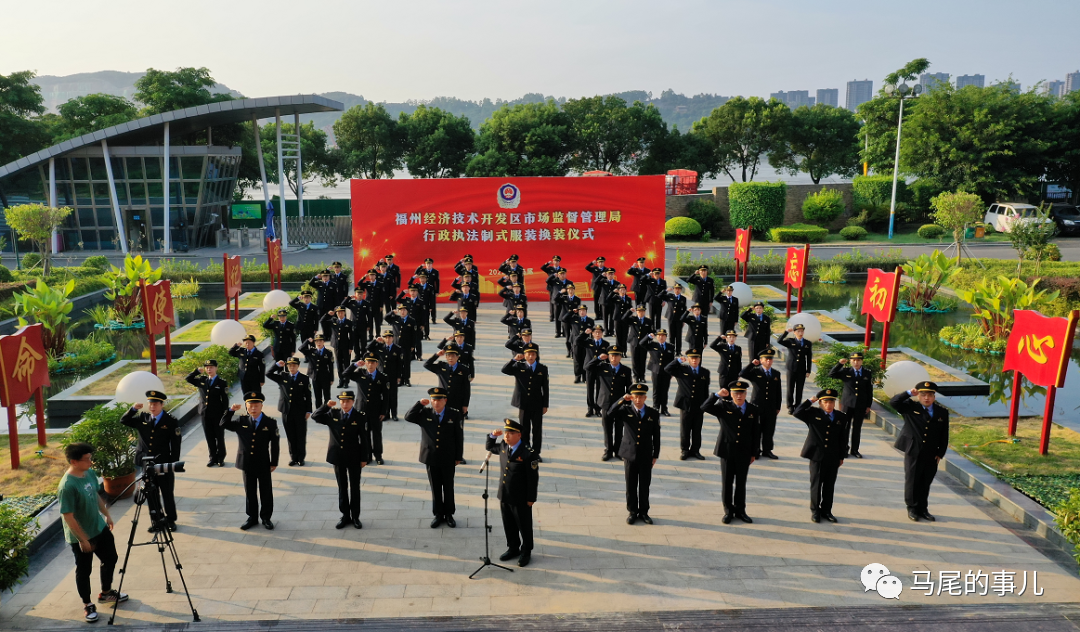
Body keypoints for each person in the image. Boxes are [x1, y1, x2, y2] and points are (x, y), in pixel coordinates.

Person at [59, 442, 126, 623]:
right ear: (74, 461)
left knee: (110, 558)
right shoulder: (67, 486)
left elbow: (96, 494)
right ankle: (87, 604)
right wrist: (82, 539)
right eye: (87, 459)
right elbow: (68, 516)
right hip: (81, 536)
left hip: (98, 527)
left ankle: (106, 592)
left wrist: (107, 515)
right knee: (84, 570)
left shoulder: (88, 473)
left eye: (91, 458)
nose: (91, 462)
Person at [120, 391, 181, 532]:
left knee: (167, 492)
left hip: (163, 463)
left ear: (161, 404)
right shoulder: (143, 417)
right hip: (147, 463)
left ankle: (170, 519)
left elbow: (176, 444)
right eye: (150, 404)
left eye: (155, 404)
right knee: (151, 493)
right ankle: (156, 520)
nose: (152, 407)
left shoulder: (170, 420)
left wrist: (172, 463)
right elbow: (124, 421)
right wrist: (133, 409)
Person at [701, 380, 760, 524]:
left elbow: (756, 432)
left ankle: (741, 510)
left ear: (746, 394)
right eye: (735, 393)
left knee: (741, 482)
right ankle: (728, 511)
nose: (739, 396)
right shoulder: (723, 406)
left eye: (742, 393)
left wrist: (754, 452)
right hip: (727, 450)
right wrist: (716, 395)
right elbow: (704, 407)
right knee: (727, 482)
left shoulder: (752, 409)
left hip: (744, 451)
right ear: (731, 394)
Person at [890, 381, 950, 522]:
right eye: (923, 395)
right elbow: (893, 402)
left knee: (926, 481)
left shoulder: (942, 412)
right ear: (919, 396)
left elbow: (944, 434)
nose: (926, 398)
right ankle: (912, 507)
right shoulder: (911, 407)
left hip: (931, 452)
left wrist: (940, 453)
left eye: (929, 395)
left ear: (934, 396)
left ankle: (923, 509)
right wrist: (909, 393)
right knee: (912, 480)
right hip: (914, 450)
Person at [405, 388, 464, 528]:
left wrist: (458, 456)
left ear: (445, 400)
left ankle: (449, 514)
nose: (436, 403)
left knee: (448, 487)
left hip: (448, 456)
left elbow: (459, 437)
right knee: (435, 487)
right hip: (431, 456)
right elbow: (408, 417)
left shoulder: (454, 414)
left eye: (439, 399)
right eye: (433, 400)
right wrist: (419, 404)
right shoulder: (425, 413)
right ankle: (438, 514)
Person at [311, 390, 371, 529]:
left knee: (355, 487)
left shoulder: (360, 416)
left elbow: (364, 439)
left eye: (348, 401)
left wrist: (364, 458)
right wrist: (326, 406)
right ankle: (345, 515)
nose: (345, 404)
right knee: (342, 487)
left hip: (354, 456)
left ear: (353, 401)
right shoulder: (333, 413)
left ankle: (355, 516)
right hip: (337, 456)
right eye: (342, 401)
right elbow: (315, 416)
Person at [221, 391, 280, 530]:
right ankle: (252, 517)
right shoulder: (241, 421)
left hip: (263, 462)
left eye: (256, 405)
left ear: (261, 406)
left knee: (266, 491)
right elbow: (223, 424)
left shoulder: (270, 422)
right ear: (246, 406)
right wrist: (230, 411)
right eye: (250, 405)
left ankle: (266, 517)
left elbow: (275, 444)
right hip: (246, 462)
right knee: (250, 491)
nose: (253, 408)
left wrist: (274, 462)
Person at [486, 419, 540, 568]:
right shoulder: (504, 446)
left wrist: (531, 498)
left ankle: (526, 550)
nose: (507, 436)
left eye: (510, 433)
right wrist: (492, 435)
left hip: (521, 498)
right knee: (508, 523)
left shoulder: (529, 454)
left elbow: (532, 479)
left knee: (524, 525)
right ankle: (513, 547)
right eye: (505, 433)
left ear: (519, 435)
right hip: (505, 494)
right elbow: (490, 447)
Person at [793, 389, 850, 523]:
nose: (829, 405)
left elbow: (843, 438)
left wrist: (842, 456)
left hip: (833, 456)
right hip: (816, 455)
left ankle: (826, 510)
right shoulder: (813, 413)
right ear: (820, 403)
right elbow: (797, 412)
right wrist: (810, 401)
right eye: (825, 402)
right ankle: (815, 511)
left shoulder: (841, 417)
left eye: (831, 402)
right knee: (816, 484)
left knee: (829, 485)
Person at [607, 384, 661, 525]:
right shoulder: (625, 410)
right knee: (630, 485)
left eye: (641, 397)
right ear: (632, 397)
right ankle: (632, 511)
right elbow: (610, 413)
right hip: (629, 454)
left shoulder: (652, 413)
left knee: (644, 485)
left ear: (645, 397)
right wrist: (622, 400)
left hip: (645, 454)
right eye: (635, 397)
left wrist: (655, 455)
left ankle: (644, 512)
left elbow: (656, 435)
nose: (638, 400)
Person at [501, 343, 550, 459]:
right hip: (523, 404)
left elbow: (545, 388)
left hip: (537, 403)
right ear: (525, 355)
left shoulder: (542, 368)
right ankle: (526, 451)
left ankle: (536, 453)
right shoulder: (519, 366)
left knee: (537, 430)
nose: (531, 357)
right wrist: (514, 360)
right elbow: (504, 370)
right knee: (524, 429)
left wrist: (545, 405)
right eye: (528, 354)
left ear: (536, 355)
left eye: (533, 354)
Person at [340, 352, 390, 465]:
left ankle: (378, 455)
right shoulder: (360, 373)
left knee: (376, 434)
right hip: (361, 409)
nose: (370, 364)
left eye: (372, 362)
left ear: (377, 363)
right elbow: (345, 374)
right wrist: (355, 365)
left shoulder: (382, 377)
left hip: (375, 410)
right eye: (368, 362)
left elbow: (386, 396)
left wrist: (383, 412)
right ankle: (367, 455)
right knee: (364, 434)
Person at [585, 346, 633, 460]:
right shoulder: (602, 367)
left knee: (619, 428)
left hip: (620, 404)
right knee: (607, 429)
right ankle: (608, 450)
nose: (614, 358)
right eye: (612, 355)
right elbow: (587, 367)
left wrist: (628, 399)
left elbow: (629, 386)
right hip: (606, 403)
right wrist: (598, 359)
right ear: (608, 356)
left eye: (616, 355)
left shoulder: (626, 370)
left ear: (620, 357)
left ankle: (618, 450)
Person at [664, 349, 711, 461]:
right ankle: (684, 450)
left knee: (697, 429)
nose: (694, 360)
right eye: (692, 358)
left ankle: (695, 450)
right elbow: (667, 369)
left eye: (696, 358)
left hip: (699, 404)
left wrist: (706, 404)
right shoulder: (682, 369)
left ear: (699, 359)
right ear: (688, 359)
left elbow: (705, 390)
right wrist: (678, 360)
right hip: (685, 404)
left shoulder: (705, 372)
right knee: (685, 428)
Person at [266, 357, 313, 467]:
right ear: (287, 366)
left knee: (300, 435)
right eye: (290, 365)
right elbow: (268, 374)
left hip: (300, 411)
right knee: (290, 435)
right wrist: (277, 365)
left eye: (294, 365)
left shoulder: (304, 378)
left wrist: (308, 410)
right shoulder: (283, 376)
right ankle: (293, 457)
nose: (292, 367)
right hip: (286, 411)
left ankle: (301, 458)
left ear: (298, 366)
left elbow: (308, 396)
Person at [828, 352, 874, 458]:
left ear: (862, 361)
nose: (856, 362)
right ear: (850, 361)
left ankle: (855, 450)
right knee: (845, 427)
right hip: (847, 404)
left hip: (860, 405)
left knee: (857, 428)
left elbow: (869, 390)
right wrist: (839, 364)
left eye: (858, 360)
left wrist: (868, 405)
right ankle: (844, 449)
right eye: (853, 360)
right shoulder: (845, 371)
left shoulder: (867, 373)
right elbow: (832, 374)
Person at [739, 348, 783, 460]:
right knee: (756, 429)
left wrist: (778, 406)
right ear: (761, 360)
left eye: (770, 359)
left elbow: (778, 391)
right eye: (766, 359)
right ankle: (756, 450)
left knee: (769, 429)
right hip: (757, 405)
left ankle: (767, 450)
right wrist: (751, 364)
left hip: (771, 407)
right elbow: (742, 374)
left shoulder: (776, 373)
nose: (769, 361)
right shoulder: (755, 372)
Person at [185, 359, 229, 467]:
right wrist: (196, 372)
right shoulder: (202, 380)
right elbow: (188, 379)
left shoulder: (222, 383)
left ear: (216, 368)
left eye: (211, 367)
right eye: (207, 368)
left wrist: (225, 414)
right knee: (209, 437)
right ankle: (212, 457)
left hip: (217, 414)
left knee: (219, 436)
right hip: (205, 414)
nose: (209, 369)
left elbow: (225, 400)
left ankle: (220, 458)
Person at [424, 346, 472, 424]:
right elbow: (426, 365)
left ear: (458, 357)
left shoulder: (464, 370)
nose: (450, 358)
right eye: (448, 356)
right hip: (443, 401)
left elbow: (466, 389)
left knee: (457, 423)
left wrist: (465, 405)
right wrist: (436, 355)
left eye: (453, 356)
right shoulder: (441, 366)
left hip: (457, 401)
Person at [365, 330, 405, 423]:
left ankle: (394, 414)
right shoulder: (379, 347)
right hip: (381, 376)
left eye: (389, 337)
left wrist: (399, 376)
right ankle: (386, 413)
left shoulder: (397, 349)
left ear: (393, 338)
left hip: (392, 376)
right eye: (386, 337)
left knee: (393, 395)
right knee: (383, 395)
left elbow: (400, 364)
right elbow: (368, 348)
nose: (388, 339)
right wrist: (375, 340)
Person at [777, 324, 813, 415]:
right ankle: (790, 406)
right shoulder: (790, 341)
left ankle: (797, 406)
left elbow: (809, 357)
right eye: (798, 331)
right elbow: (779, 341)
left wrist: (808, 370)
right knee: (790, 388)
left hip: (801, 369)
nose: (800, 333)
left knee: (799, 388)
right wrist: (786, 332)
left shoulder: (807, 343)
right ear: (794, 332)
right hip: (791, 368)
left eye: (802, 331)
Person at [640, 329, 676, 415]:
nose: (661, 337)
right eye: (659, 335)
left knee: (664, 390)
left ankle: (664, 408)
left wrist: (672, 372)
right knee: (656, 390)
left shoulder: (670, 346)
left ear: (666, 337)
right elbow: (641, 343)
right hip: (655, 370)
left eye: (663, 335)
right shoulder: (653, 345)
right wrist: (648, 337)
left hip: (666, 371)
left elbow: (672, 360)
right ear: (657, 337)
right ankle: (655, 407)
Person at [384, 302, 421, 384]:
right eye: (401, 310)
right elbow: (385, 317)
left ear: (407, 311)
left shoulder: (411, 320)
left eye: (404, 310)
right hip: (396, 344)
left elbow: (414, 334)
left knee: (406, 362)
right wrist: (392, 312)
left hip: (406, 345)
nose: (402, 312)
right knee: (398, 363)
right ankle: (399, 379)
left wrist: (412, 345)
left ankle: (406, 379)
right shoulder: (395, 319)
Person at [579, 325, 611, 414]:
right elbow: (577, 341)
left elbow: (608, 357)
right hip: (590, 368)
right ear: (592, 333)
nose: (598, 334)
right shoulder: (588, 342)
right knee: (590, 389)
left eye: (600, 332)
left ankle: (597, 408)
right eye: (596, 332)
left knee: (599, 389)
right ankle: (590, 408)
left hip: (600, 368)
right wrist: (585, 334)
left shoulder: (606, 344)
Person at [299, 333, 335, 408]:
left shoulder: (328, 352)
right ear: (315, 342)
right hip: (315, 377)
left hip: (325, 377)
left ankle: (327, 412)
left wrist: (331, 379)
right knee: (318, 397)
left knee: (327, 397)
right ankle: (319, 412)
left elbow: (331, 367)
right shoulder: (311, 351)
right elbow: (300, 349)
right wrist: (307, 341)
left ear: (323, 341)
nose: (319, 343)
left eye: (320, 341)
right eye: (317, 341)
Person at [320, 306, 354, 387]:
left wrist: (350, 347)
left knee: (346, 363)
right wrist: (328, 314)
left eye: (342, 312)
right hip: (336, 346)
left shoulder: (348, 322)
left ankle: (346, 381)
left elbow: (352, 336)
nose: (340, 314)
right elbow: (322, 321)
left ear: (344, 313)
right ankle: (341, 380)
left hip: (345, 346)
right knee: (339, 364)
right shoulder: (333, 321)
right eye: (338, 312)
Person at [623, 304, 654, 382]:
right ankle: (636, 376)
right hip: (634, 342)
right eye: (639, 311)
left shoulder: (648, 321)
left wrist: (651, 336)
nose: (641, 313)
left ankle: (642, 376)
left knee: (642, 360)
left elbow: (651, 331)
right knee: (635, 360)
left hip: (644, 343)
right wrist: (629, 311)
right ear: (636, 312)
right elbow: (623, 319)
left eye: (642, 311)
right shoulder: (633, 319)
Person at [563, 304, 594, 378]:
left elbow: (592, 332)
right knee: (576, 360)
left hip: (585, 342)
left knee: (584, 358)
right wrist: (572, 312)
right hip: (575, 342)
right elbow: (563, 319)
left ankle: (584, 376)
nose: (582, 312)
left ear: (586, 311)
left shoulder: (590, 321)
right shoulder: (574, 319)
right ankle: (577, 375)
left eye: (583, 311)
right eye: (580, 311)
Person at [556, 283, 583, 354]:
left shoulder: (577, 299)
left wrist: (577, 310)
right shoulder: (564, 298)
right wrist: (560, 292)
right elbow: (555, 299)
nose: (570, 291)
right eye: (569, 290)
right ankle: (569, 351)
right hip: (565, 319)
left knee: (574, 335)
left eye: (572, 289)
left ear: (574, 290)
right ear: (567, 290)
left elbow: (579, 308)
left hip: (574, 319)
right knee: (567, 336)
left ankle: (574, 350)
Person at [663, 284, 688, 355]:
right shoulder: (670, 296)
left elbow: (684, 310)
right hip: (671, 317)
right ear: (674, 289)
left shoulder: (683, 298)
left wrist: (684, 320)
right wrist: (666, 290)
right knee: (671, 335)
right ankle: (671, 350)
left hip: (679, 319)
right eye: (676, 288)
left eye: (679, 289)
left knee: (678, 335)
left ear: (680, 290)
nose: (677, 290)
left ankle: (678, 351)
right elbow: (659, 296)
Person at [607, 283, 633, 348]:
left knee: (624, 335)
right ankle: (618, 349)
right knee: (618, 335)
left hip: (625, 319)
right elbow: (607, 299)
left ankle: (624, 350)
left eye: (624, 290)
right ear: (618, 291)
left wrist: (630, 311)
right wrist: (613, 292)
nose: (622, 291)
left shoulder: (628, 298)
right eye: (621, 290)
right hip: (617, 318)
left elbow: (630, 307)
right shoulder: (615, 297)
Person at [545, 267, 571, 333]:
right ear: (558, 275)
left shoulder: (569, 282)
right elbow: (547, 280)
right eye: (560, 274)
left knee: (565, 317)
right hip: (557, 302)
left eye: (563, 274)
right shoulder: (554, 281)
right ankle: (558, 332)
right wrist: (553, 275)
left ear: (566, 274)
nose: (562, 275)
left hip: (565, 302)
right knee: (557, 318)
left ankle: (565, 331)